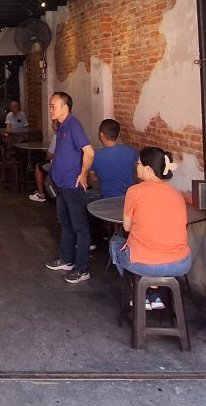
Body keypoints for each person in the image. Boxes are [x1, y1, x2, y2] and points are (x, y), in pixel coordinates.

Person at [111, 146, 193, 310]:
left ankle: (140, 291)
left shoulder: (135, 191)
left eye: (139, 163)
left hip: (145, 263)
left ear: (148, 169)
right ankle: (154, 293)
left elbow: (127, 227)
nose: (137, 166)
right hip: (180, 263)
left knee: (115, 242)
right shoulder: (176, 193)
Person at [43, 92, 95, 284]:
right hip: (62, 184)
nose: (50, 110)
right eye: (50, 106)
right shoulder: (63, 125)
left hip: (73, 185)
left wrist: (83, 173)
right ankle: (67, 259)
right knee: (64, 222)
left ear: (65, 107)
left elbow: (89, 152)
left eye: (53, 106)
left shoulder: (73, 125)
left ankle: (82, 269)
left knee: (79, 227)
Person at [90, 119, 137, 200]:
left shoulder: (96, 155)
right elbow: (137, 173)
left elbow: (93, 178)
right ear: (118, 134)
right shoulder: (131, 151)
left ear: (101, 135)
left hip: (109, 199)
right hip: (130, 197)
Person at [27, 119, 59, 203]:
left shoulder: (56, 137)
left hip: (57, 164)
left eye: (53, 123)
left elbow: (49, 155)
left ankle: (41, 194)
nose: (52, 125)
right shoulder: (67, 134)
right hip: (68, 163)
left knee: (39, 166)